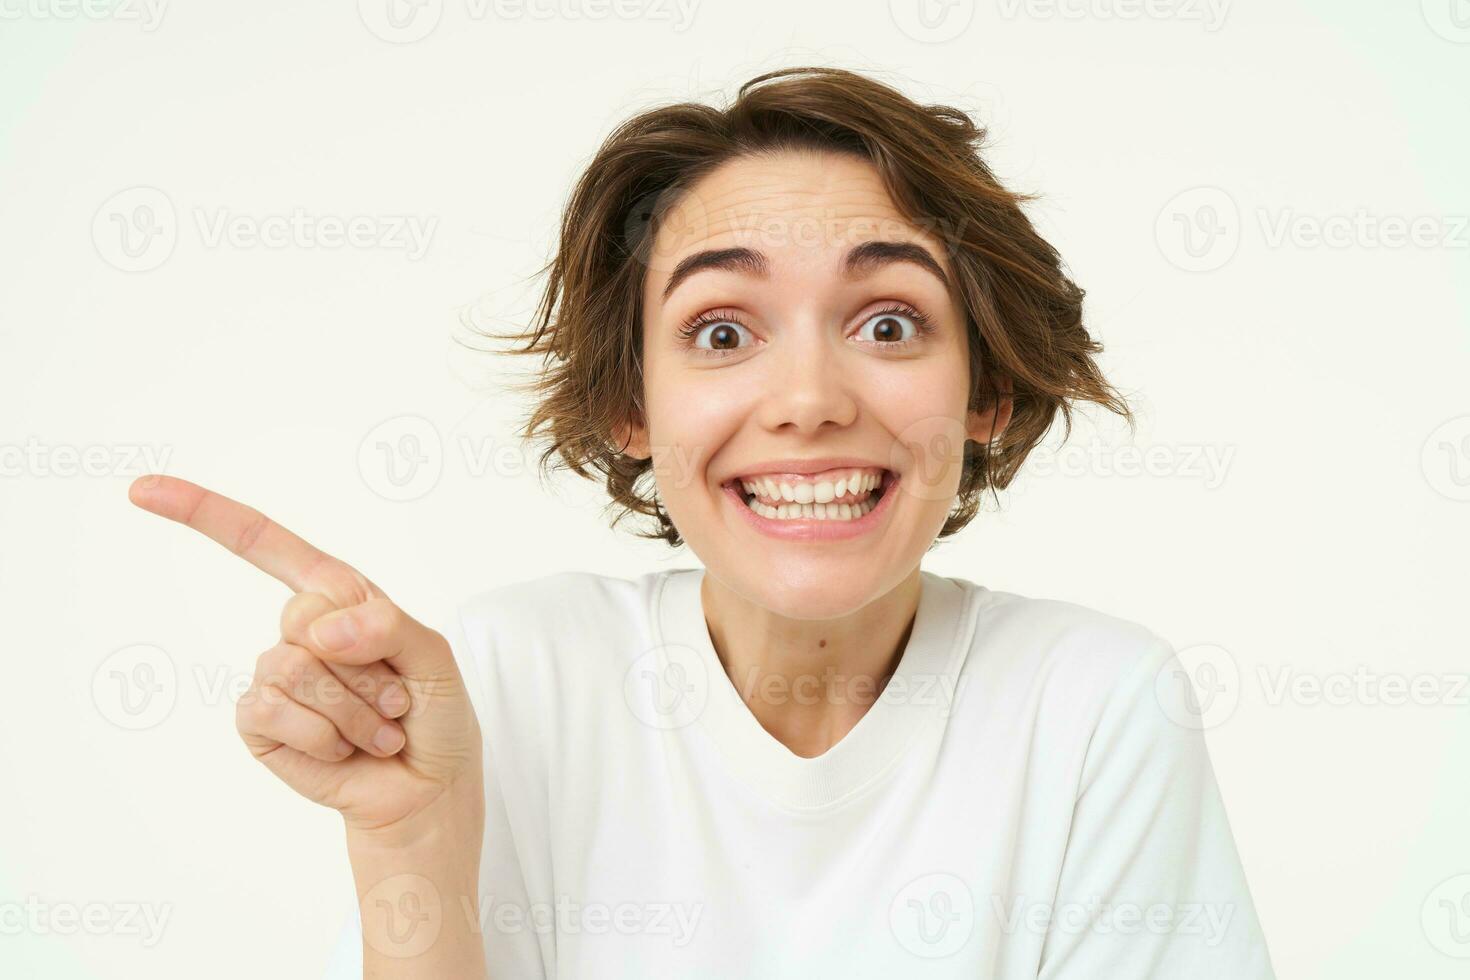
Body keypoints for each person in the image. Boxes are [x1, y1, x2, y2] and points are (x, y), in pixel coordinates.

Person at [129, 66, 1275, 979]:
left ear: (989, 390)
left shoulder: (1091, 703)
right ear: (631, 403)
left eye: (888, 322)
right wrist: (406, 850)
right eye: (724, 331)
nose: (811, 399)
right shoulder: (511, 677)